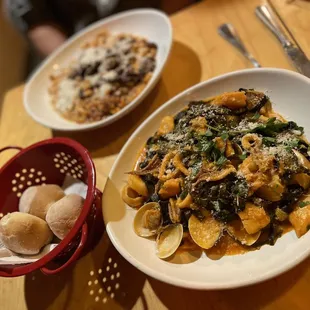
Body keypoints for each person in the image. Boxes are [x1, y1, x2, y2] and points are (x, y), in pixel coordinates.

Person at [4, 0, 196, 58]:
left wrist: (172, 26)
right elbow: (38, 25)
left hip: (164, 25)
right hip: (84, 45)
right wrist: (80, 62)